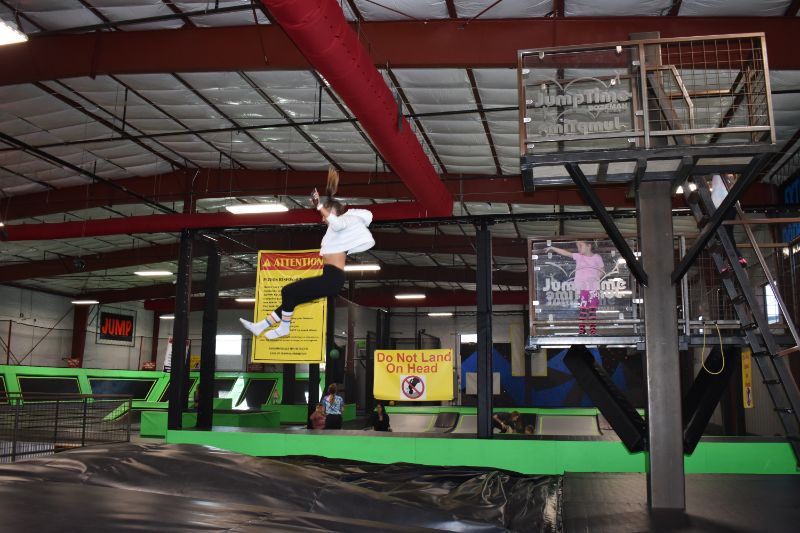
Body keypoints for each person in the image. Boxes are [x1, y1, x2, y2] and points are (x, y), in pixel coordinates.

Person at [239, 168, 375, 339]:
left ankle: (283, 328)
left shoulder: (342, 224)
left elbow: (337, 223)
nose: (321, 218)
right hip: (331, 278)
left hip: (333, 278)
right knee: (292, 299)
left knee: (288, 291)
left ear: (332, 212)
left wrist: (319, 205)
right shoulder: (335, 231)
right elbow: (334, 223)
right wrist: (323, 206)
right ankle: (260, 326)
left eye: (324, 214)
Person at [547, 241, 605, 335]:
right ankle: (582, 330)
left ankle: (593, 330)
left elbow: (602, 271)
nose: (578, 248)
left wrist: (595, 278)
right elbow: (566, 253)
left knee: (592, 309)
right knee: (583, 309)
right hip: (582, 288)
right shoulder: (579, 256)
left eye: (580, 245)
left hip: (593, 287)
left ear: (589, 246)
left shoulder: (597, 257)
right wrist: (553, 248)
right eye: (577, 246)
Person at [710, 173, 747, 272]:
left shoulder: (721, 174)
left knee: (725, 233)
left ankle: (737, 258)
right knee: (725, 234)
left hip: (725, 206)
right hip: (725, 206)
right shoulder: (718, 176)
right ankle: (735, 259)